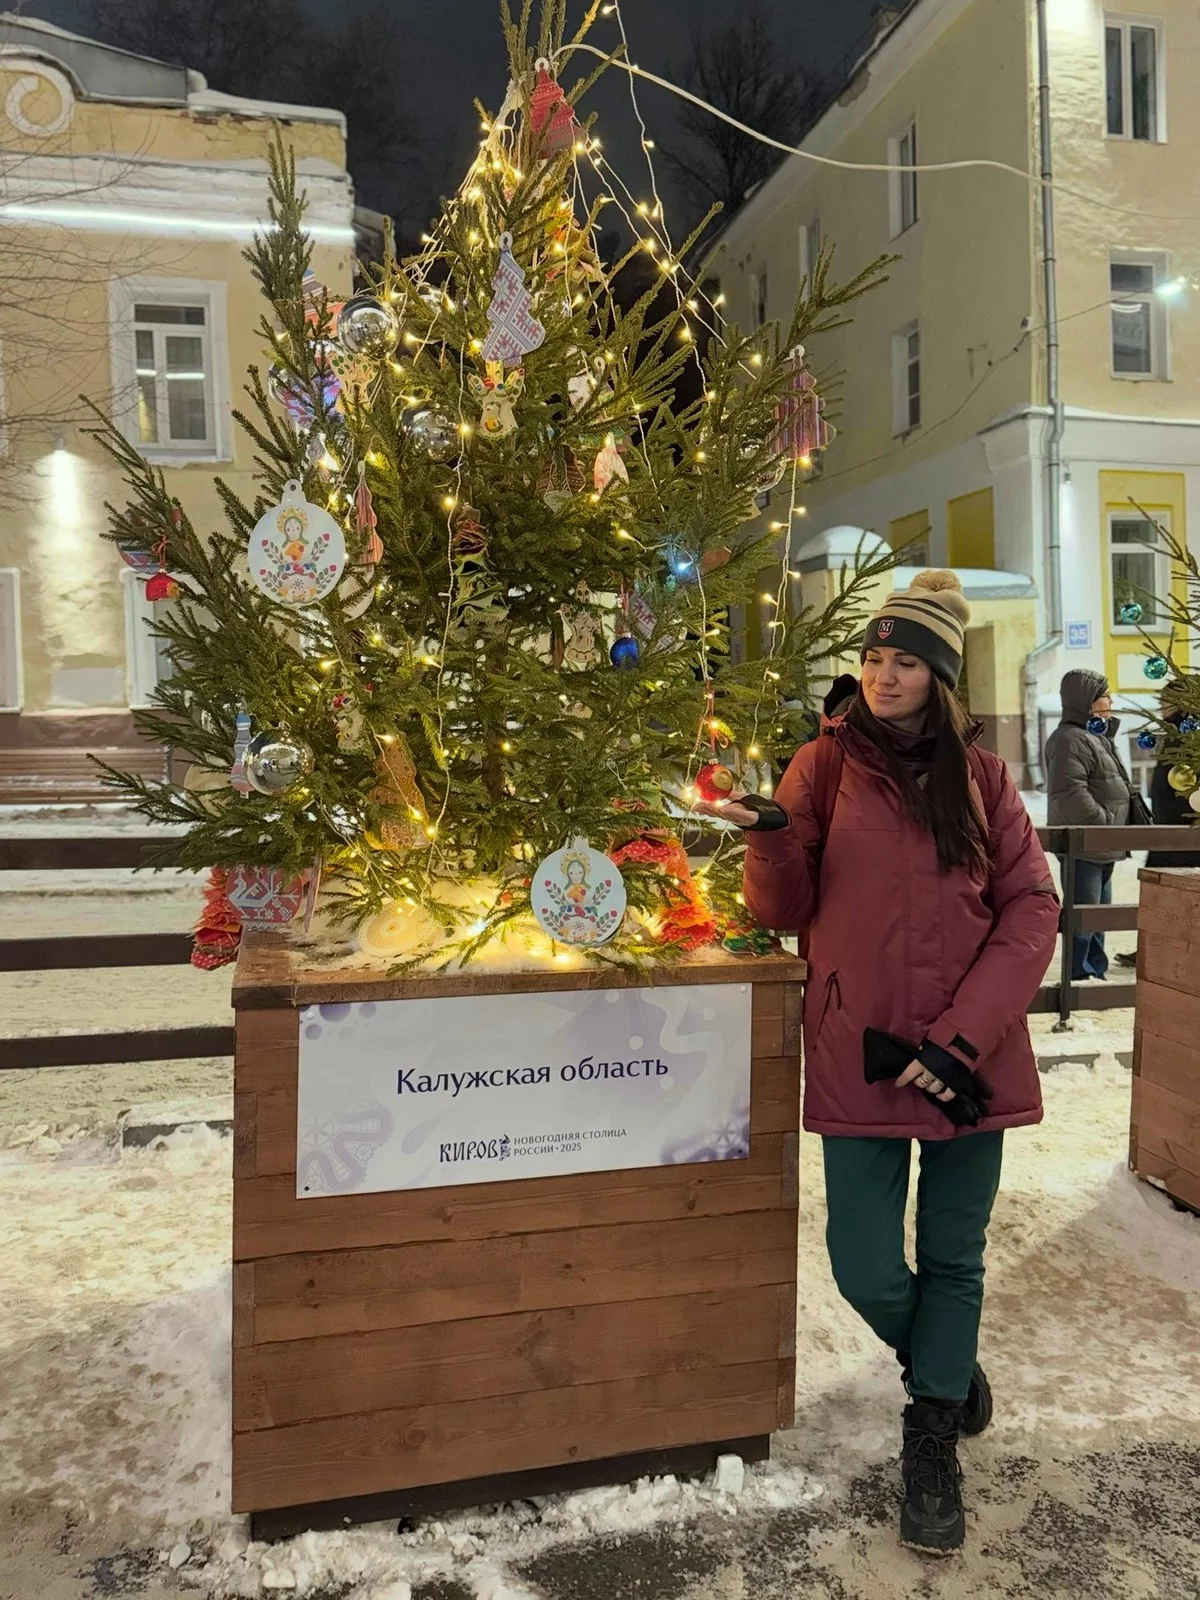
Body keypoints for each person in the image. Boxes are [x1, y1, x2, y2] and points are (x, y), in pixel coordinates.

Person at [693, 570, 1059, 1556]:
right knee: (864, 1265)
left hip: (966, 1059)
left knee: (954, 1254)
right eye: (873, 657)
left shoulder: (984, 783)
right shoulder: (820, 766)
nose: (882, 675)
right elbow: (783, 908)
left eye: (904, 660)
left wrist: (961, 1036)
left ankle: (931, 1431)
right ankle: (939, 1357)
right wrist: (770, 840)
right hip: (859, 1048)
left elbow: (1031, 910)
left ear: (938, 676)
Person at [1044, 671, 1136, 979]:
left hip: (1102, 842)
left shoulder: (1095, 735)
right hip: (1085, 843)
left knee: (1100, 916)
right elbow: (1070, 793)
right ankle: (1079, 976)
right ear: (1085, 701)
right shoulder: (1071, 739)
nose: (1109, 701)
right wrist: (1102, 823)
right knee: (1083, 916)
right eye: (1103, 695)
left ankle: (1095, 970)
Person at [1146, 686, 1200, 871]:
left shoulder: (1182, 736)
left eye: (1165, 700)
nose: (1161, 705)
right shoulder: (1176, 733)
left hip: (1177, 833)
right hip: (1176, 830)